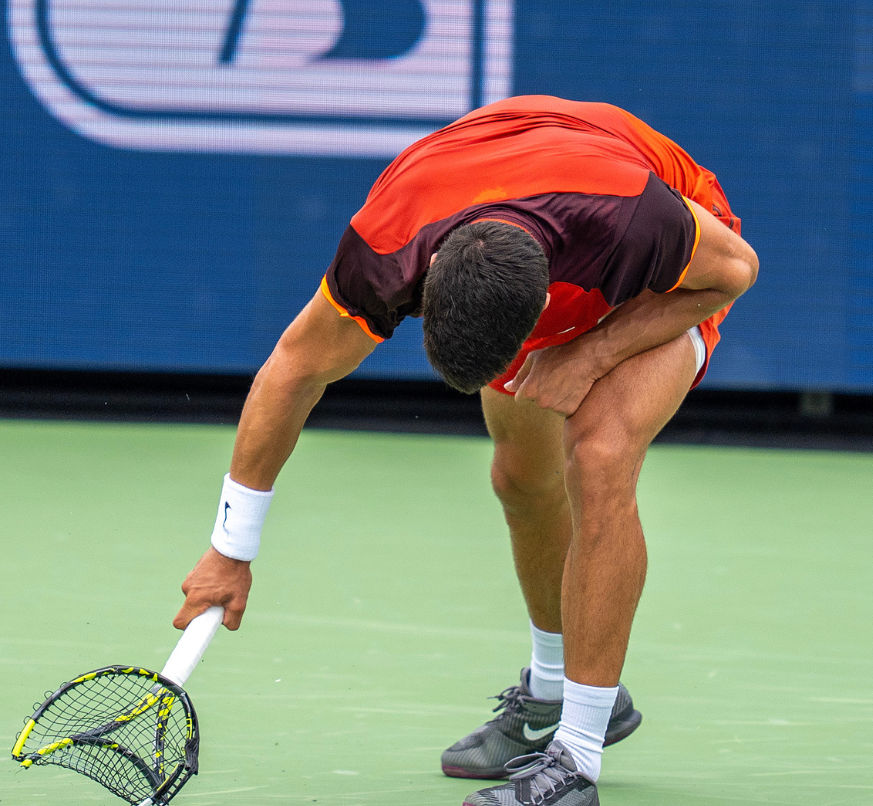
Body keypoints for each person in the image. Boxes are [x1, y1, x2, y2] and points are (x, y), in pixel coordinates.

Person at [172, 95, 759, 806]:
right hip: (524, 214)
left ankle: (575, 761)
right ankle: (548, 691)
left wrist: (594, 351)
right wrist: (231, 548)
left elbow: (735, 271)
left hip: (671, 267)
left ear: (541, 311)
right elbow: (294, 369)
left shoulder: (634, 218)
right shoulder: (387, 245)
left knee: (598, 455)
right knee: (520, 477)